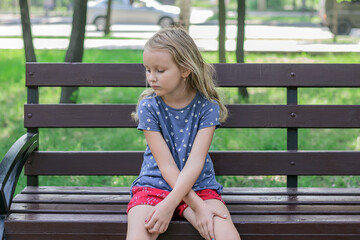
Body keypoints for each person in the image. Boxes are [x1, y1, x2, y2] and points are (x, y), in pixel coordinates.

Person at [127, 27, 241, 240]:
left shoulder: (207, 107)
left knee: (227, 236)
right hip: (155, 186)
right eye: (148, 70)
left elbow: (195, 162)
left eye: (160, 70)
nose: (151, 77)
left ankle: (185, 207)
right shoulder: (149, 107)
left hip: (199, 186)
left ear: (185, 70)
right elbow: (166, 166)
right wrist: (188, 207)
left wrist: (190, 206)